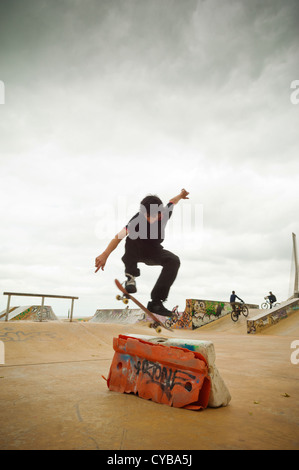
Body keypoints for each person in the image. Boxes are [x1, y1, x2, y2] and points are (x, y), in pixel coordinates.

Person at [95, 188, 189, 317]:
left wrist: (181, 195)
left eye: (155, 216)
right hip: (136, 251)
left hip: (154, 251)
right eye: (148, 216)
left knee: (173, 260)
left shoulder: (165, 213)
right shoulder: (137, 220)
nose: (151, 219)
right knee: (131, 238)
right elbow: (119, 237)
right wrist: (105, 254)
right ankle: (131, 277)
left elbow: (172, 201)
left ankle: (156, 302)